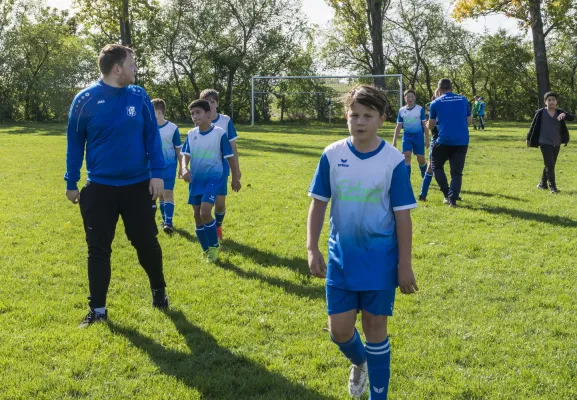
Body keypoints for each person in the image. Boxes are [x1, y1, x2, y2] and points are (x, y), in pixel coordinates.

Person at [307, 85, 418, 399]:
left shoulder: (393, 160)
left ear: (382, 118)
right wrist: (312, 248)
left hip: (380, 261)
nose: (360, 121)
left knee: (375, 331)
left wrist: (404, 265)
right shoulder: (332, 154)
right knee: (339, 332)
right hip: (341, 259)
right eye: (354, 114)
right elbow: (318, 203)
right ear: (346, 116)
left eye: (368, 115)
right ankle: (360, 363)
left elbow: (402, 216)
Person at [65, 44, 168, 328]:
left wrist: (157, 173)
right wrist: (71, 180)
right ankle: (97, 309)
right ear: (117, 68)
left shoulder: (139, 95)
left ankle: (159, 290)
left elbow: (151, 136)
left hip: (138, 186)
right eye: (132, 63)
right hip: (99, 188)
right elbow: (75, 143)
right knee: (97, 249)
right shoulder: (85, 100)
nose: (136, 68)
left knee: (145, 242)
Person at [180, 100, 241, 263]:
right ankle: (206, 248)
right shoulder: (191, 133)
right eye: (192, 113)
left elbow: (230, 157)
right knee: (197, 216)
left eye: (198, 112)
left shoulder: (220, 133)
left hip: (214, 178)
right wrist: (184, 168)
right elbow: (185, 154)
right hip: (196, 180)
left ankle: (214, 247)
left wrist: (235, 177)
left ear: (208, 114)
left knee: (205, 212)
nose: (194, 116)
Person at [199, 89, 241, 240]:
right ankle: (207, 228)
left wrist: (236, 171)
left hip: (222, 166)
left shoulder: (225, 120)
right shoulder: (200, 121)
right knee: (203, 203)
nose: (210, 105)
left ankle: (217, 225)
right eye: (207, 102)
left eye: (213, 102)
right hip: (203, 168)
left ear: (217, 103)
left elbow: (233, 146)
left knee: (220, 204)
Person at [427, 78, 472, 207]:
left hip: (444, 140)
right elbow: (469, 122)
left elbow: (431, 125)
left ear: (439, 90)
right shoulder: (463, 99)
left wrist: (428, 124)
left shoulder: (435, 102)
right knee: (456, 172)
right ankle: (452, 199)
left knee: (436, 166)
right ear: (452, 88)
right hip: (462, 140)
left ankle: (447, 193)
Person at [526, 91, 575, 193]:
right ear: (545, 102)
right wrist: (528, 138)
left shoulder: (559, 112)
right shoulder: (540, 113)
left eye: (553, 100)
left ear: (556, 101)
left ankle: (542, 184)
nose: (551, 102)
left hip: (556, 142)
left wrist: (564, 114)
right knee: (550, 164)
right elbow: (533, 126)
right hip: (544, 142)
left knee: (550, 164)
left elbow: (572, 117)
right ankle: (553, 187)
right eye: (549, 100)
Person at [151, 99, 182, 234]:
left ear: (158, 112)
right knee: (156, 194)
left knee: (167, 193)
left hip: (168, 166)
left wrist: (182, 167)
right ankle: (160, 221)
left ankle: (168, 223)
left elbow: (178, 149)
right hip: (151, 167)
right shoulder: (147, 128)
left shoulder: (172, 128)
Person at [392, 89, 429, 178]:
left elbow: (425, 125)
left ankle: (424, 175)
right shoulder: (401, 110)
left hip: (418, 136)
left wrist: (427, 139)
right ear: (405, 98)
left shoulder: (419, 109)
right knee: (406, 157)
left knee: (420, 159)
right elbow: (398, 126)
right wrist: (394, 141)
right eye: (408, 97)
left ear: (414, 98)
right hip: (407, 136)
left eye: (412, 96)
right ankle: (406, 179)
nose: (410, 98)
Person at [418, 90, 441, 201]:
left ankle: (452, 193)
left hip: (450, 142)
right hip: (436, 140)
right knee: (431, 166)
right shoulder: (433, 108)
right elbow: (429, 126)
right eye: (438, 95)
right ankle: (423, 194)